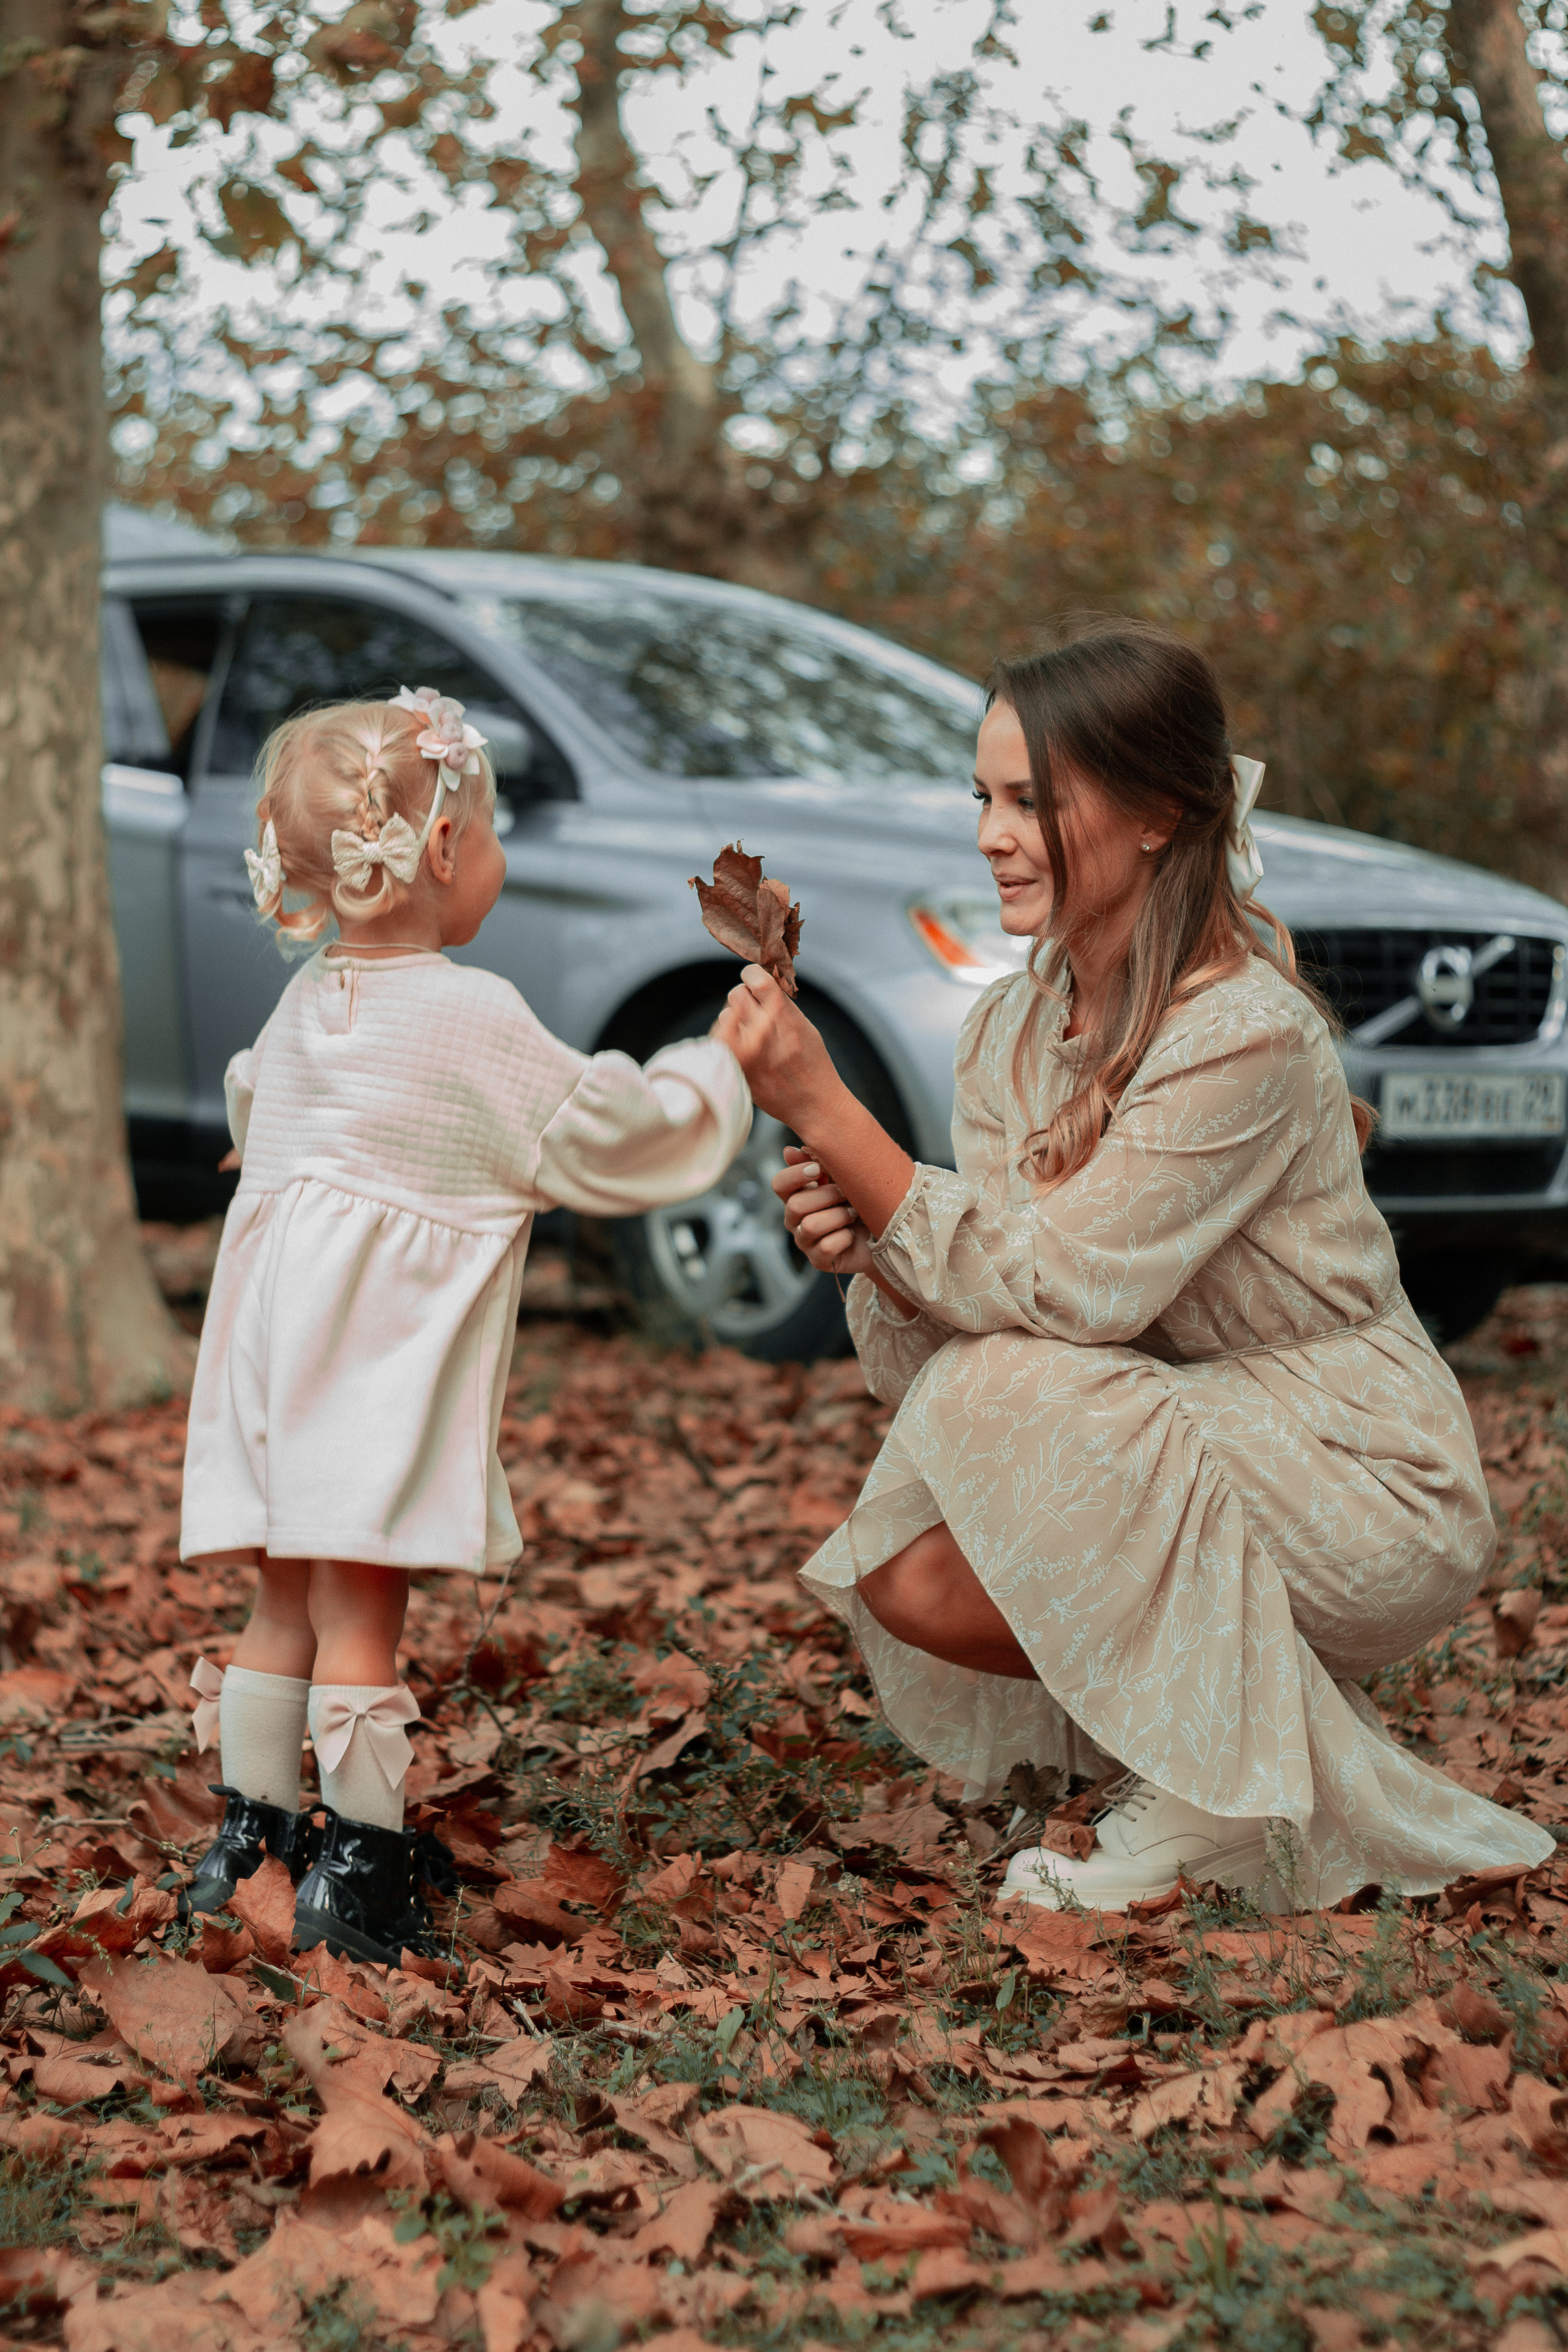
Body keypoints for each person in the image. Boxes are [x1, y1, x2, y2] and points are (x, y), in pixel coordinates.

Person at [713, 619, 1554, 1912]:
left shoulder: (1246, 1033)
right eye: (981, 798)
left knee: (1011, 1392)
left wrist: (835, 1118)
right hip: (1162, 1419)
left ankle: (1228, 1797)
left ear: (1160, 814)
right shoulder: (1007, 1027)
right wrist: (872, 1249)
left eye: (1031, 802)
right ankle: (1228, 1749)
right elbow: (984, 1321)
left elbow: (1066, 1292)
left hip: (1356, 1466)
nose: (989, 833)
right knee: (913, 1575)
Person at [180, 687, 752, 1963]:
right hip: (362, 1379)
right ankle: (358, 1879)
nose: (496, 858)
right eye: (489, 835)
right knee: (361, 1624)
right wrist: (717, 1067)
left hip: (270, 1363)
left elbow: (254, 1099)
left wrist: (266, 1156)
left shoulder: (307, 1001)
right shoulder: (472, 1015)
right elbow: (612, 1133)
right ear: (440, 852)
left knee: (280, 1609)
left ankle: (249, 1846)